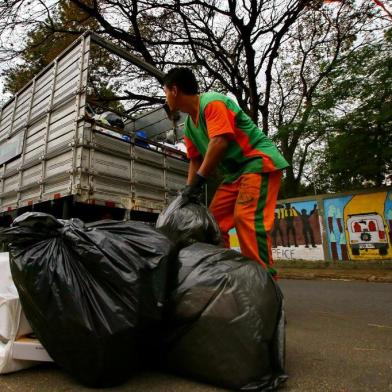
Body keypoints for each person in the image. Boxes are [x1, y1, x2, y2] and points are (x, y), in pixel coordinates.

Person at [163, 67, 289, 278]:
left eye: (165, 92)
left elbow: (220, 142)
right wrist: (188, 191)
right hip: (235, 175)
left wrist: (198, 183)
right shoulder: (189, 128)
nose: (165, 98)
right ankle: (227, 278)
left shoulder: (212, 103)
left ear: (174, 90)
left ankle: (265, 284)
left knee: (246, 219)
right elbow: (195, 160)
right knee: (213, 224)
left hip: (257, 162)